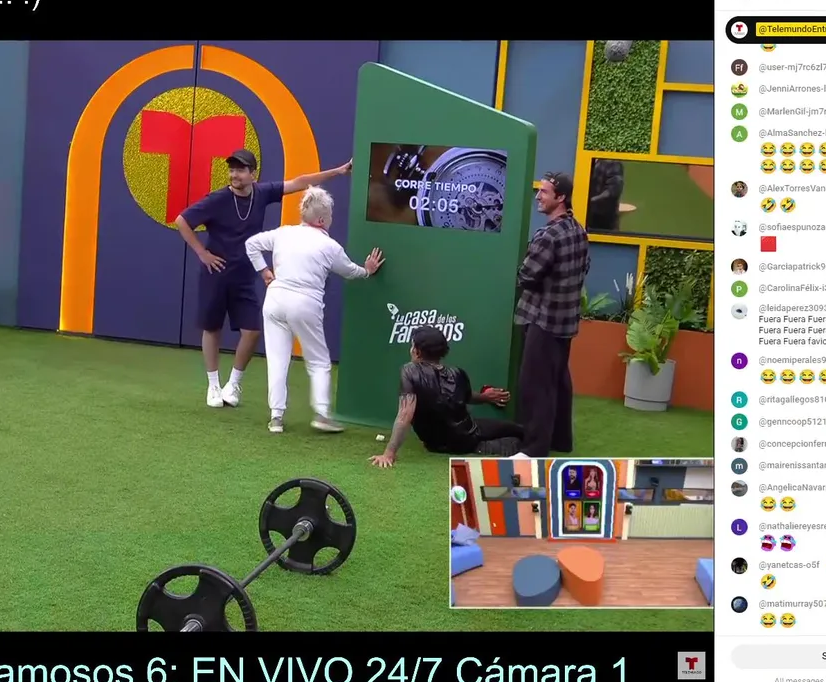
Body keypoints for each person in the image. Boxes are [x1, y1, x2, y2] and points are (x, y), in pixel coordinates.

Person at [174, 149, 353, 409]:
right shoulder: (217, 199)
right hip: (215, 275)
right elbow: (182, 220)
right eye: (232, 170)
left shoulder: (262, 193)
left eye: (240, 170)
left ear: (253, 174)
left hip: (245, 276)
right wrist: (203, 253)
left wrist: (338, 171)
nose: (235, 175)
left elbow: (300, 182)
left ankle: (233, 384)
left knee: (252, 331)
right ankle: (213, 385)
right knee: (212, 328)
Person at [243, 186, 385, 433]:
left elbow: (251, 244)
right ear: (321, 220)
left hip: (275, 300)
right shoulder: (329, 246)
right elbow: (350, 271)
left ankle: (276, 417)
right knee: (318, 361)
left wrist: (264, 271)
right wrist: (367, 271)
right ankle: (321, 414)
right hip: (305, 303)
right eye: (329, 215)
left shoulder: (283, 233)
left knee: (277, 360)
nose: (331, 219)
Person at [512, 172, 590, 459]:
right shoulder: (578, 230)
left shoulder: (548, 236)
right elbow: (585, 267)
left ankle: (533, 449)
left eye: (544, 192)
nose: (538, 196)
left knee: (535, 385)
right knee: (557, 380)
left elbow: (527, 276)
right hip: (565, 321)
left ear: (561, 197)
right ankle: (560, 440)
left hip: (542, 320)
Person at [368, 326, 523, 468]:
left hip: (440, 442)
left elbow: (405, 415)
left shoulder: (411, 370)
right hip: (464, 437)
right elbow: (406, 415)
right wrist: (389, 453)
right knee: (517, 431)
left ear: (417, 351)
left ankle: (495, 446)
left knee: (513, 431)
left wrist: (389, 453)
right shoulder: (455, 372)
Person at [585, 159, 624, 231]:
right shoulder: (585, 162)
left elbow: (613, 191)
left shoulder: (613, 163)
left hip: (604, 224)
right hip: (586, 219)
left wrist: (589, 201)